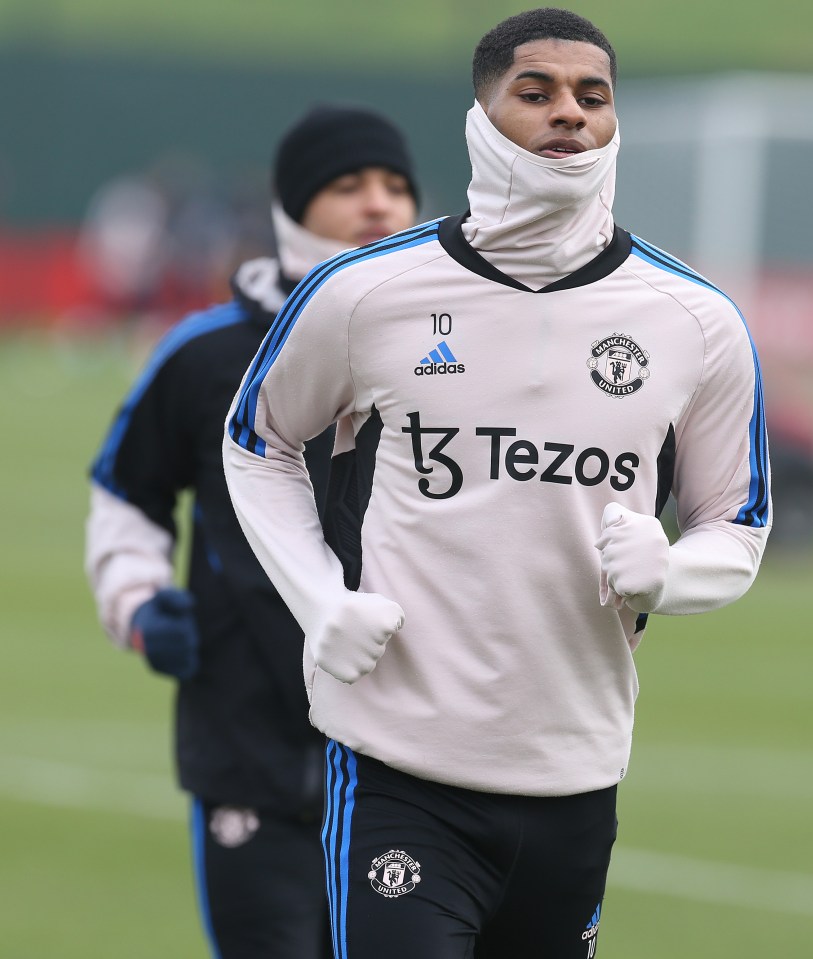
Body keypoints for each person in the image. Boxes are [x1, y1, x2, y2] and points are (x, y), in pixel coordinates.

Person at [223, 9, 772, 959]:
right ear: (482, 116)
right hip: (401, 767)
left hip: (578, 778)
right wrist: (319, 598)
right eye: (538, 91)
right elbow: (256, 443)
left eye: (591, 96)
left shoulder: (697, 319)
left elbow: (739, 521)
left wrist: (671, 571)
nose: (569, 112)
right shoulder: (366, 291)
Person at [85, 104, 419, 959]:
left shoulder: (454, 351)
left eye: (396, 186)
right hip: (247, 741)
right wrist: (138, 600)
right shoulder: (202, 354)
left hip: (414, 755)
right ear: (290, 206)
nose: (379, 204)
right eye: (348, 185)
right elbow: (127, 490)